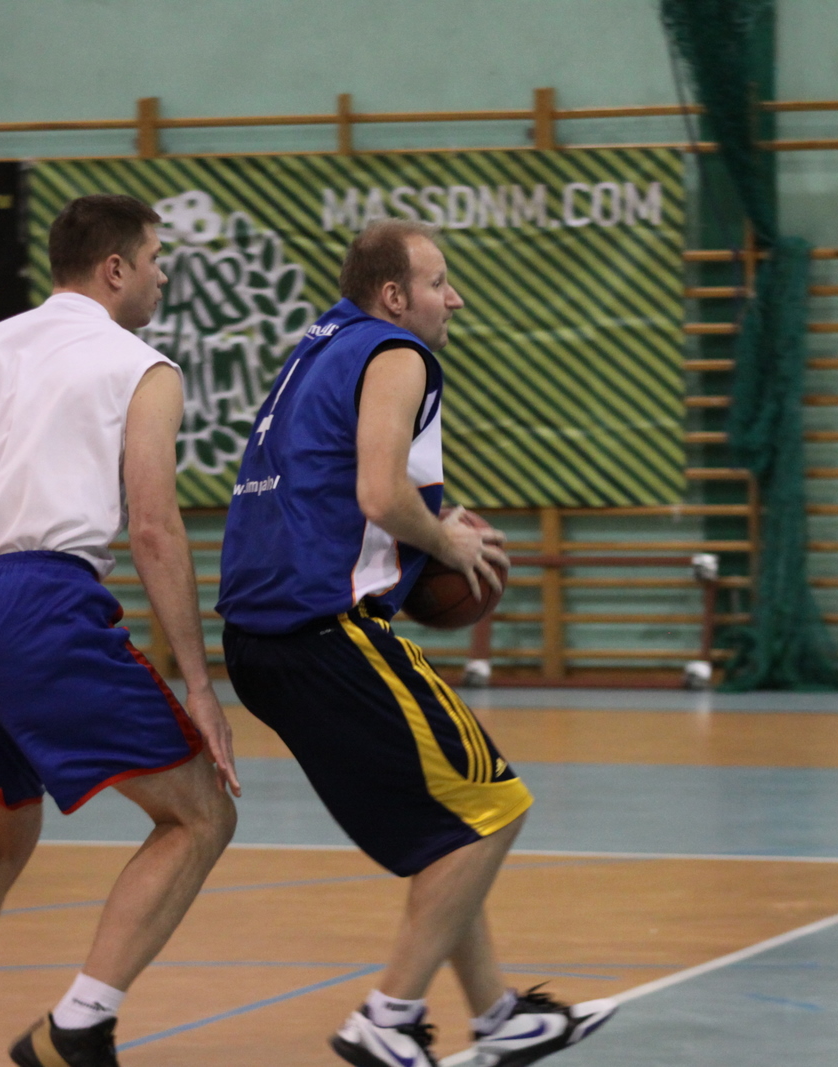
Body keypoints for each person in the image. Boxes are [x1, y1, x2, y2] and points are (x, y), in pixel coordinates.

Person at [216, 218, 616, 1067]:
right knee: (495, 807)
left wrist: (425, 524)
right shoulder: (398, 353)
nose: (454, 298)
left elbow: (334, 481)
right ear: (394, 295)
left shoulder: (316, 348)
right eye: (439, 282)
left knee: (448, 831)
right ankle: (387, 1018)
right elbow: (378, 492)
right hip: (325, 632)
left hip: (259, 640)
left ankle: (499, 1014)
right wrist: (448, 543)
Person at [0, 194, 241, 1067]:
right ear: (115, 268)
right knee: (201, 815)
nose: (161, 276)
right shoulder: (141, 366)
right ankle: (80, 1021)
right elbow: (154, 528)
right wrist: (199, 683)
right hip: (41, 606)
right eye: (155, 259)